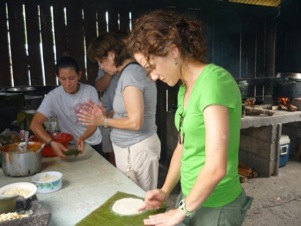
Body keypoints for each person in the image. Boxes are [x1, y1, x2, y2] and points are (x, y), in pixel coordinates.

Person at [126, 10, 253, 226]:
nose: (154, 76)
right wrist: (165, 191)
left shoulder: (214, 81)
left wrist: (181, 211)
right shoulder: (185, 88)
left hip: (217, 205)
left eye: (152, 67)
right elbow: (183, 147)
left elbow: (216, 167)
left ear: (173, 51)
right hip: (192, 199)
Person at [77, 31, 161, 192]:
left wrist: (104, 121)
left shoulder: (131, 75)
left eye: (100, 61)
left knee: (140, 201)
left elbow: (135, 122)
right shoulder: (130, 72)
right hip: (132, 149)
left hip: (137, 149)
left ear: (111, 55)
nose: (100, 66)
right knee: (134, 200)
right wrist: (107, 115)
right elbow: (128, 111)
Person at [30, 56, 103, 158]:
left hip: (93, 142)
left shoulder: (90, 91)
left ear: (79, 75)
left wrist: (83, 137)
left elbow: (95, 122)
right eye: (63, 79)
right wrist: (51, 143)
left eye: (72, 78)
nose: (68, 83)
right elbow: (35, 124)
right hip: (70, 144)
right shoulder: (53, 96)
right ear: (57, 77)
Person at [87, 36, 121, 166]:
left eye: (101, 61)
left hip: (121, 114)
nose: (100, 65)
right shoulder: (104, 69)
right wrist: (110, 73)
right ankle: (115, 172)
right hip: (107, 111)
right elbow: (99, 87)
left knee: (120, 148)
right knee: (110, 149)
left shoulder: (129, 71)